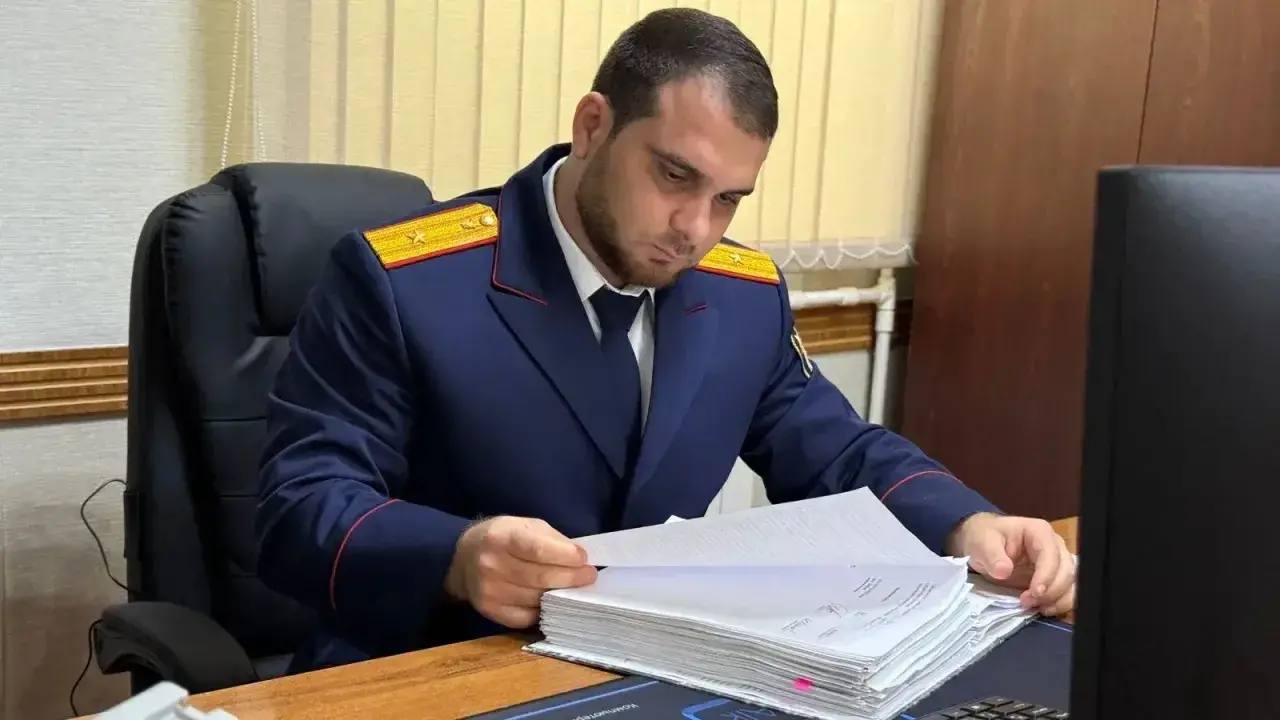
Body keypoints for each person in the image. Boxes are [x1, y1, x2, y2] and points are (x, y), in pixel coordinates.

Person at [257, 8, 1076, 672]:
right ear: (592, 126)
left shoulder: (740, 295)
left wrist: (965, 523)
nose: (696, 230)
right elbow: (300, 506)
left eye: (729, 199)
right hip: (433, 668)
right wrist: (456, 556)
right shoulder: (406, 281)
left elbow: (835, 450)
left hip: (650, 671)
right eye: (675, 176)